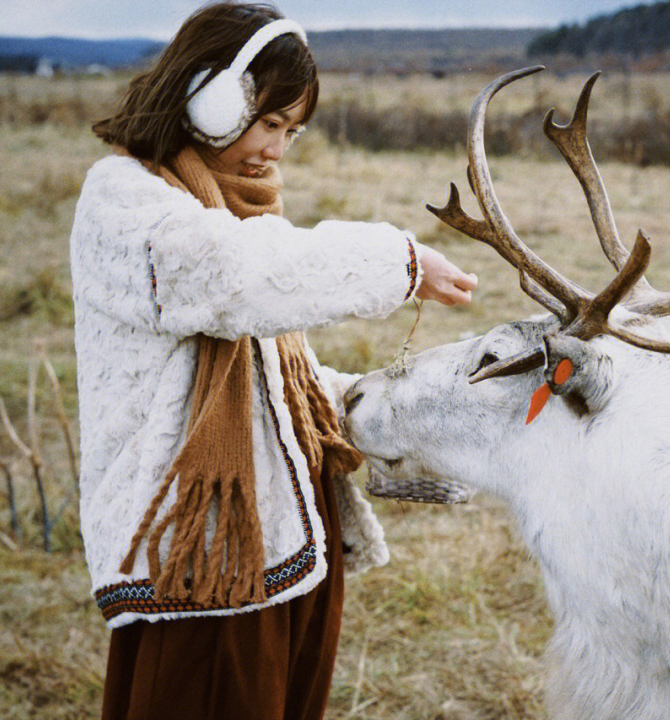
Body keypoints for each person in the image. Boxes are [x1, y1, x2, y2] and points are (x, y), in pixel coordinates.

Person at [69, 3, 477, 718]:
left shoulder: (232, 209)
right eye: (269, 122)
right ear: (208, 99)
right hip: (200, 559)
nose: (277, 150)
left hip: (288, 542)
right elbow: (234, 280)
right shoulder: (124, 201)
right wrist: (400, 261)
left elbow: (271, 376)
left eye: (292, 131)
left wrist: (390, 404)